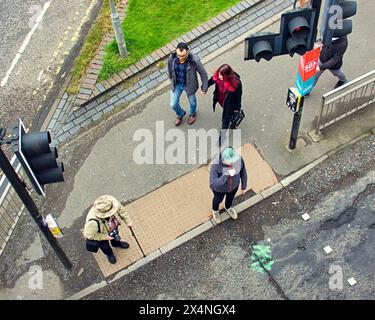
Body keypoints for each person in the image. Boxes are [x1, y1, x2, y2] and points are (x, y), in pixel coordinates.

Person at [167, 42, 208, 126]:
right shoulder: (172, 58)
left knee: (192, 102)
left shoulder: (194, 60)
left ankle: (192, 114)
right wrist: (172, 80)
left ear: (188, 52)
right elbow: (170, 70)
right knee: (173, 104)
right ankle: (180, 114)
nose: (180, 58)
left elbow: (203, 74)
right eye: (179, 55)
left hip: (189, 85)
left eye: (183, 56)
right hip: (177, 84)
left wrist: (204, 88)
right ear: (176, 51)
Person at [84, 195, 133, 264]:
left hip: (112, 227)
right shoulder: (92, 222)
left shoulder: (111, 203)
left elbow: (121, 209)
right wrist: (105, 237)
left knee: (115, 237)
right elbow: (89, 235)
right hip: (101, 234)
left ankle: (116, 244)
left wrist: (128, 221)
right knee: (105, 246)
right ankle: (109, 254)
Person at [209, 147, 247, 224]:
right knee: (217, 200)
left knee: (230, 199)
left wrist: (244, 186)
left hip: (234, 187)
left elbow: (243, 172)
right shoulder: (215, 165)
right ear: (223, 160)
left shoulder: (238, 159)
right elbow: (213, 184)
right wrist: (226, 175)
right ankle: (215, 211)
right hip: (219, 190)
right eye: (230, 161)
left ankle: (228, 207)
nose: (233, 162)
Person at [207, 64, 243, 130]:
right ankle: (233, 122)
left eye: (221, 75)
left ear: (227, 75)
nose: (219, 76)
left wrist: (237, 109)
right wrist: (205, 87)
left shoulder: (236, 83)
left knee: (225, 121)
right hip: (222, 100)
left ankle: (222, 137)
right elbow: (212, 80)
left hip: (230, 104)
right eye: (219, 74)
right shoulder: (218, 76)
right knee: (230, 116)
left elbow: (238, 97)